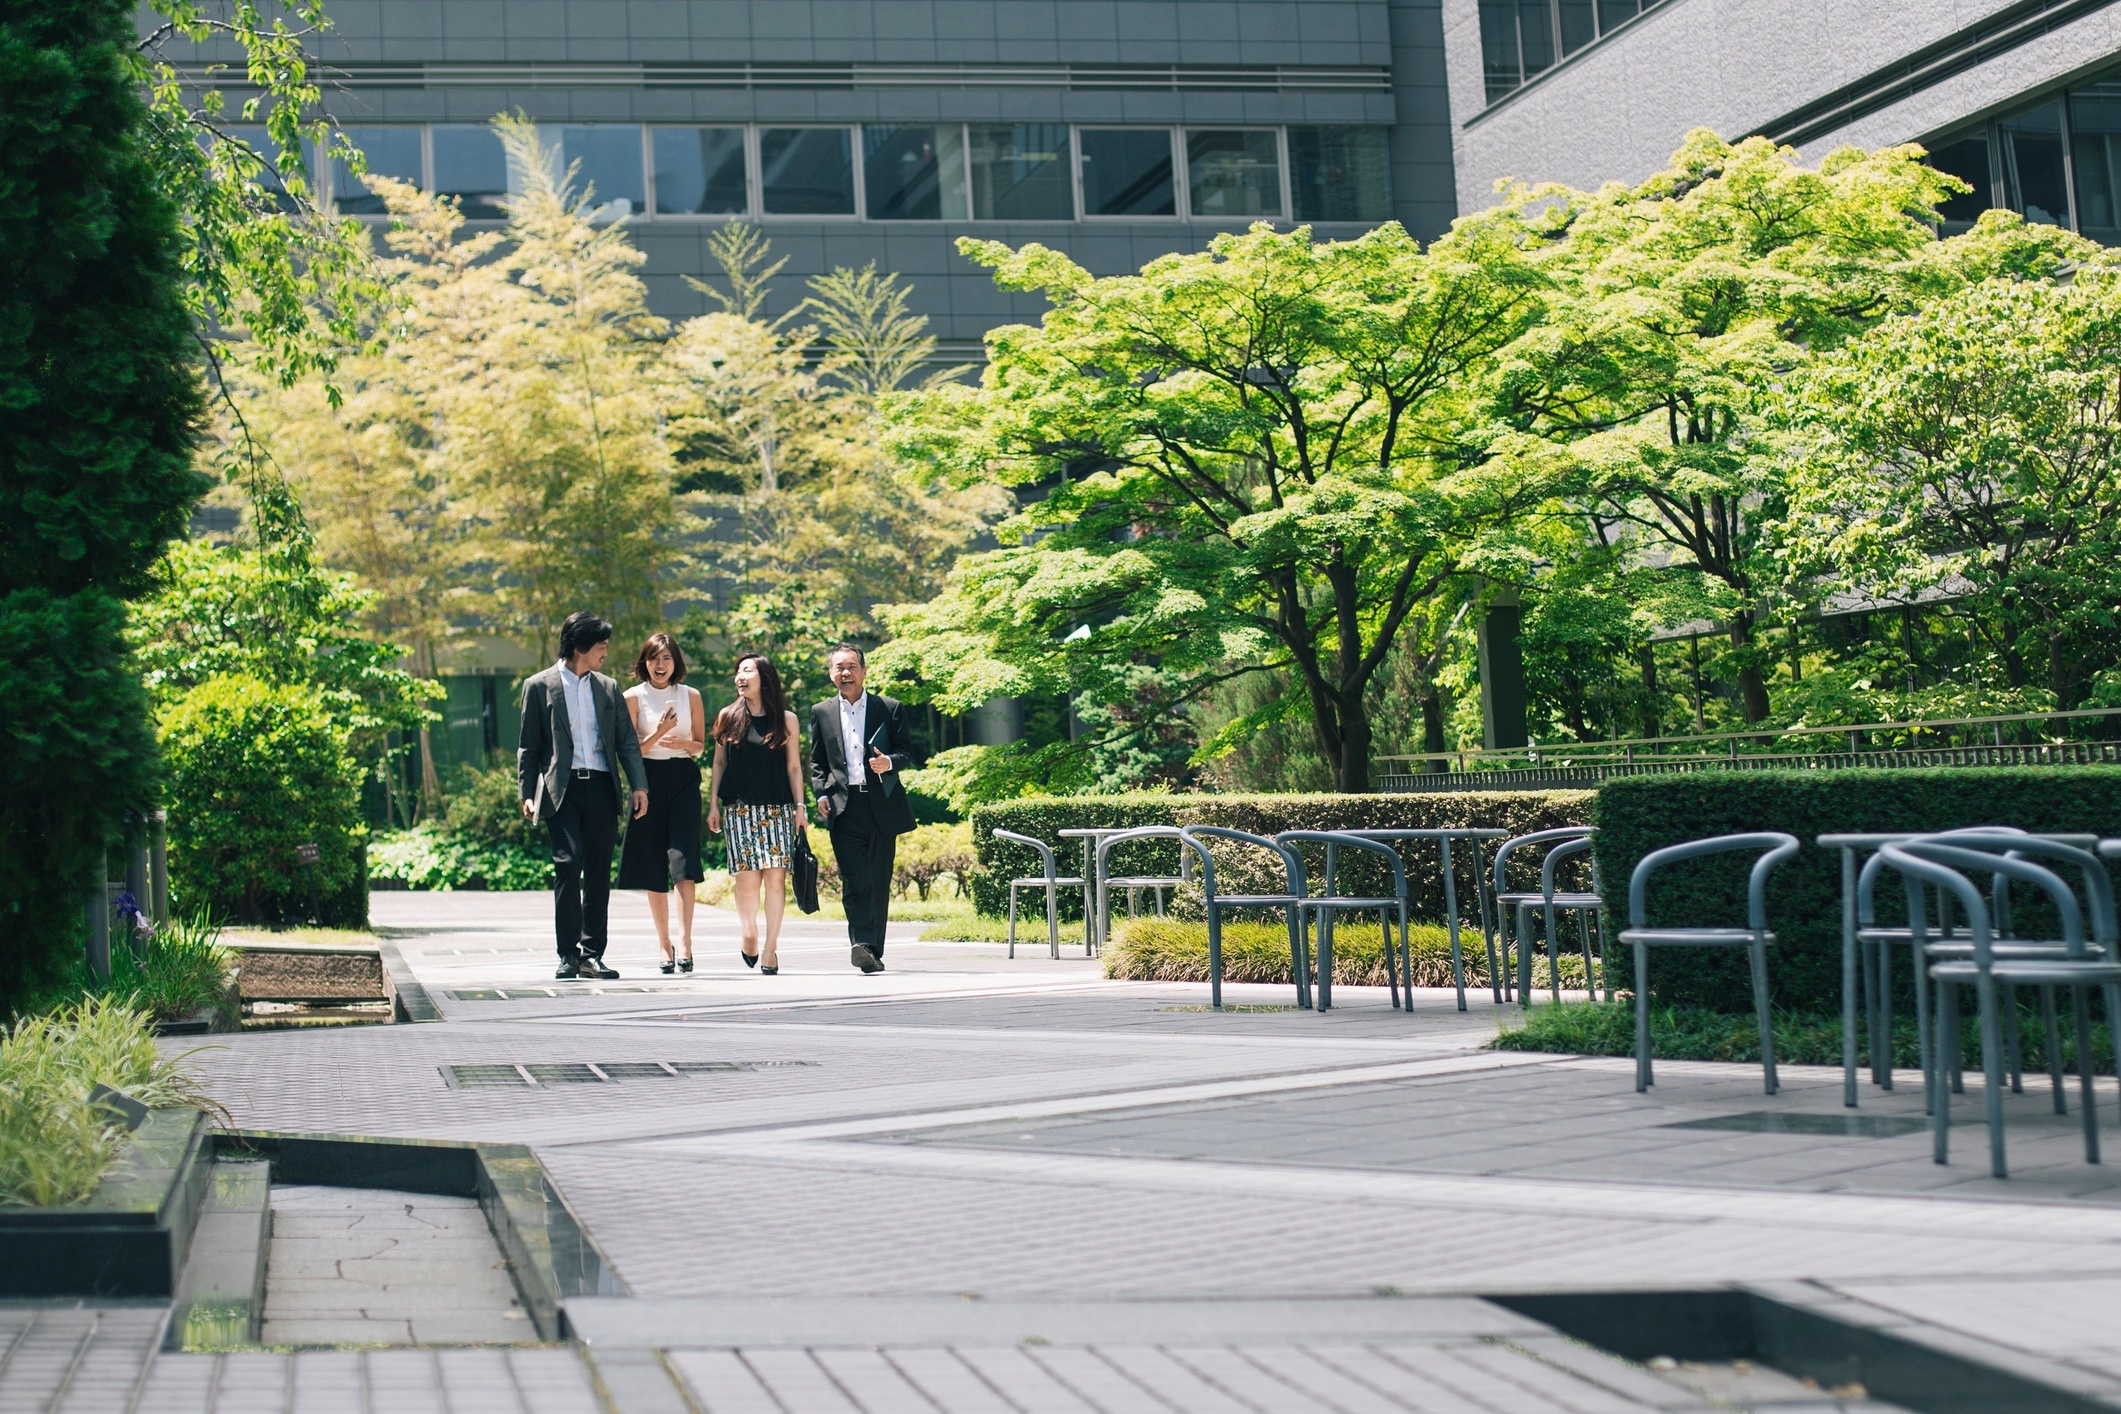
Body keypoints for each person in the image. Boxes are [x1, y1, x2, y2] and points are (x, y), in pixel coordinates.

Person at [518, 612, 648, 980]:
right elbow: (528, 747)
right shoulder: (539, 685)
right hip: (563, 789)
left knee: (597, 874)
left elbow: (626, 742)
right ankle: (566, 954)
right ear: (579, 648)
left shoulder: (607, 687)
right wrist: (526, 792)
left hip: (602, 787)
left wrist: (639, 785)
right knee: (567, 863)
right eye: (601, 646)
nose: (606, 652)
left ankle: (592, 954)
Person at [808, 644, 916, 973]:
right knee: (855, 879)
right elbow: (817, 762)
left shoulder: (889, 708)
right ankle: (861, 943)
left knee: (878, 878)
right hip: (844, 805)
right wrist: (820, 793)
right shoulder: (821, 712)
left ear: (864, 671)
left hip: (880, 803)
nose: (846, 673)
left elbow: (906, 752)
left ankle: (872, 948)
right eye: (839, 667)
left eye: (852, 666)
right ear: (831, 674)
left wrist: (888, 762)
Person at [705, 653, 806, 974]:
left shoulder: (786, 720)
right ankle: (749, 932)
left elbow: (794, 767)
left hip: (778, 809)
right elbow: (719, 762)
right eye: (737, 671)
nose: (740, 676)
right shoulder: (727, 716)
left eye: (747, 670)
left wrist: (800, 808)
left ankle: (771, 949)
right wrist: (712, 804)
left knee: (776, 879)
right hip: (739, 810)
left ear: (764, 676)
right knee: (747, 883)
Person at [616, 633, 708, 974]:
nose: (660, 665)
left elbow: (699, 745)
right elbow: (631, 750)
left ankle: (685, 942)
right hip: (647, 781)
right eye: (654, 658)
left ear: (675, 663)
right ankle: (663, 943)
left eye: (667, 658)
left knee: (683, 861)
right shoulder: (632, 697)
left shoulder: (691, 695)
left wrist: (682, 739)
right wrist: (659, 732)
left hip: (683, 777)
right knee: (654, 862)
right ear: (645, 662)